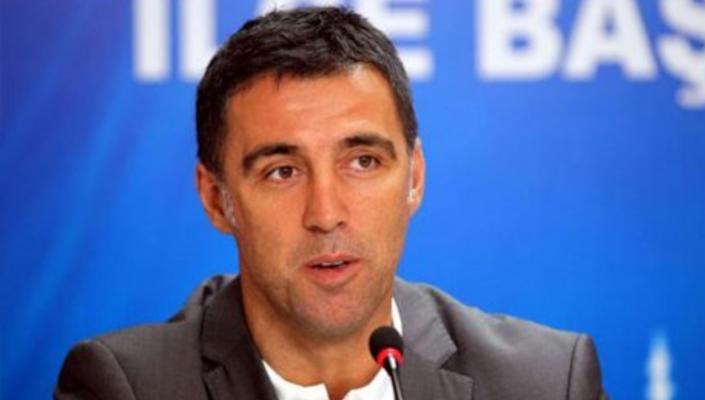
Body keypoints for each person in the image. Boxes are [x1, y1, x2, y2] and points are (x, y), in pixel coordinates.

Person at [55, 6, 607, 400]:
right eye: (282, 171)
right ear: (217, 199)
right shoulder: (126, 387)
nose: (326, 214)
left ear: (414, 177)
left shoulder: (545, 381)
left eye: (362, 161)